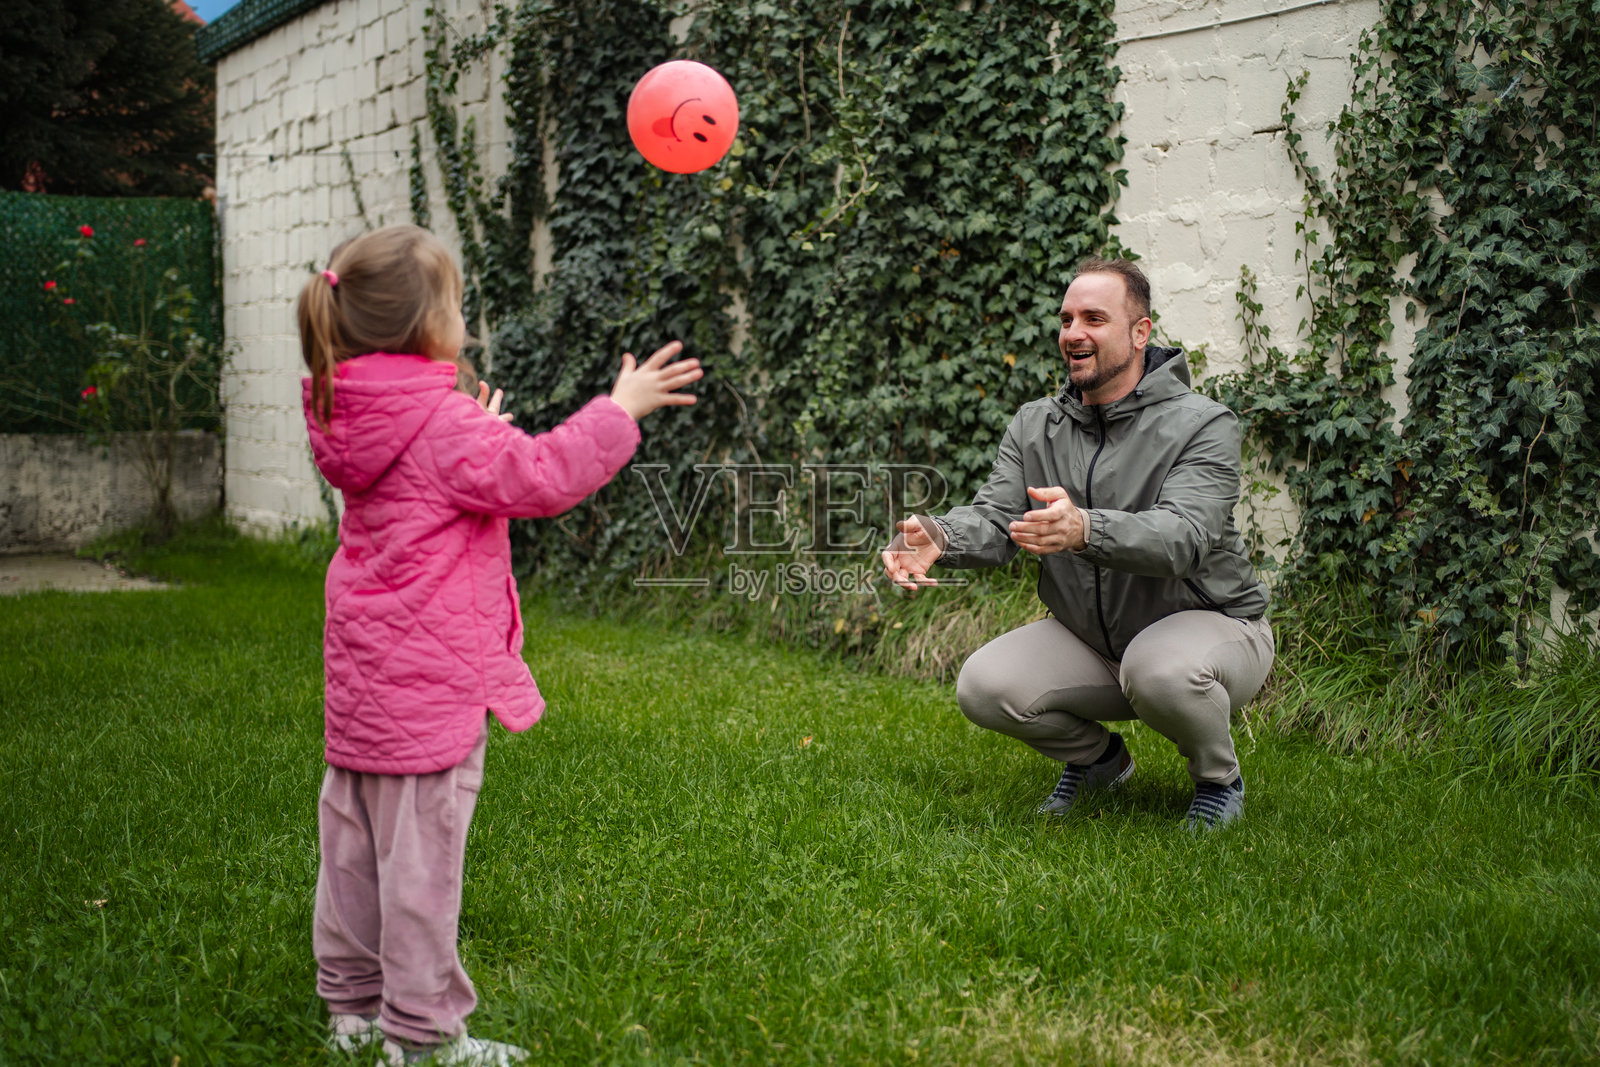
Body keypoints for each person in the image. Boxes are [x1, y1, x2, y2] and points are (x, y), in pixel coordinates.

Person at [297, 224, 701, 1065]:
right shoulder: (442, 428)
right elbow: (545, 475)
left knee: (356, 851)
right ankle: (423, 1032)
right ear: (429, 326)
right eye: (456, 306)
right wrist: (617, 410)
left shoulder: (346, 409)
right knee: (422, 868)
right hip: (430, 683)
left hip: (363, 679)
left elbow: (423, 479)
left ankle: (352, 1012)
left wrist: (463, 430)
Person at [881, 257, 1273, 831]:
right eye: (1066, 320)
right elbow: (998, 518)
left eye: (1094, 318)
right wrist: (941, 535)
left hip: (1214, 627)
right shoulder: (1036, 424)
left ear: (1140, 333)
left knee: (1157, 668)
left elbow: (1184, 538)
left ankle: (1217, 780)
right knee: (984, 687)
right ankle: (1098, 763)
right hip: (1093, 639)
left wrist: (1085, 528)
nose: (1073, 334)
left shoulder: (1202, 424)